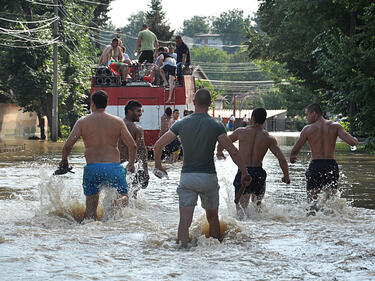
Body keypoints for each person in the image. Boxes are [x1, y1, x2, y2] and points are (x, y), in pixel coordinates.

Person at [153, 89, 251, 248]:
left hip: (188, 178)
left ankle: (182, 249)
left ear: (194, 103)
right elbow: (232, 151)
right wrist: (245, 172)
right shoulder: (216, 125)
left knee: (185, 220)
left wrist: (158, 165)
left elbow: (158, 146)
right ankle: (214, 249)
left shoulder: (181, 123)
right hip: (208, 178)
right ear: (210, 104)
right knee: (213, 218)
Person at [59, 90, 137, 220]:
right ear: (106, 104)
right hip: (114, 168)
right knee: (125, 196)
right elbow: (133, 146)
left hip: (92, 169)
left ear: (92, 104)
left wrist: (64, 161)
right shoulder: (117, 122)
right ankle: (118, 202)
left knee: (90, 211)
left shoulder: (82, 122)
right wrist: (131, 164)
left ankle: (92, 230)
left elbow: (67, 146)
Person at [217, 108, 290, 218]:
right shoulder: (269, 138)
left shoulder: (241, 132)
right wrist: (286, 176)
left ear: (253, 118)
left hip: (244, 172)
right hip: (258, 174)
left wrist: (219, 152)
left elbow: (223, 142)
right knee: (257, 209)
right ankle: (258, 233)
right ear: (264, 120)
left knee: (241, 210)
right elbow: (282, 159)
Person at [290, 103, 358, 214]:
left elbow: (295, 150)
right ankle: (332, 219)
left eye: (307, 114)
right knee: (332, 197)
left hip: (315, 165)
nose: (306, 117)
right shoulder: (335, 126)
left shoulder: (307, 129)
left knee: (311, 198)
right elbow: (352, 142)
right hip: (331, 165)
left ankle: (312, 218)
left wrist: (293, 158)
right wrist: (355, 140)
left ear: (314, 113)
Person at [118, 100, 150, 198]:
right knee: (132, 196)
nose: (140, 114)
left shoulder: (116, 125)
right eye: (138, 111)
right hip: (131, 167)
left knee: (118, 195)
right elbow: (142, 151)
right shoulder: (137, 129)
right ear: (129, 111)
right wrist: (146, 171)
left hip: (116, 166)